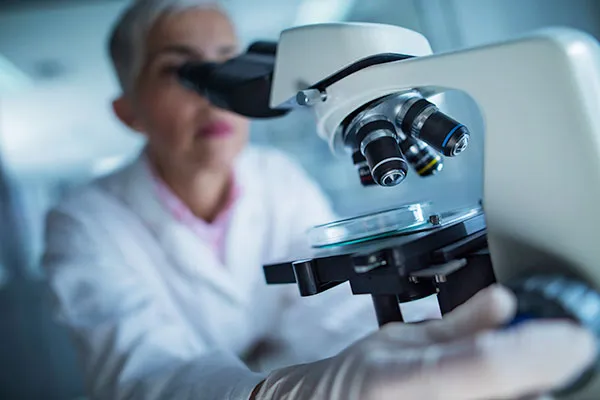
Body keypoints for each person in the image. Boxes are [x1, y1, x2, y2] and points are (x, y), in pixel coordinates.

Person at [42, 1, 596, 399]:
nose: (211, 98)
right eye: (181, 71)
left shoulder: (276, 177)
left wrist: (426, 345)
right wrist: (281, 392)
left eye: (222, 63)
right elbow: (144, 375)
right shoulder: (83, 221)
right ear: (129, 111)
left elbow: (335, 313)